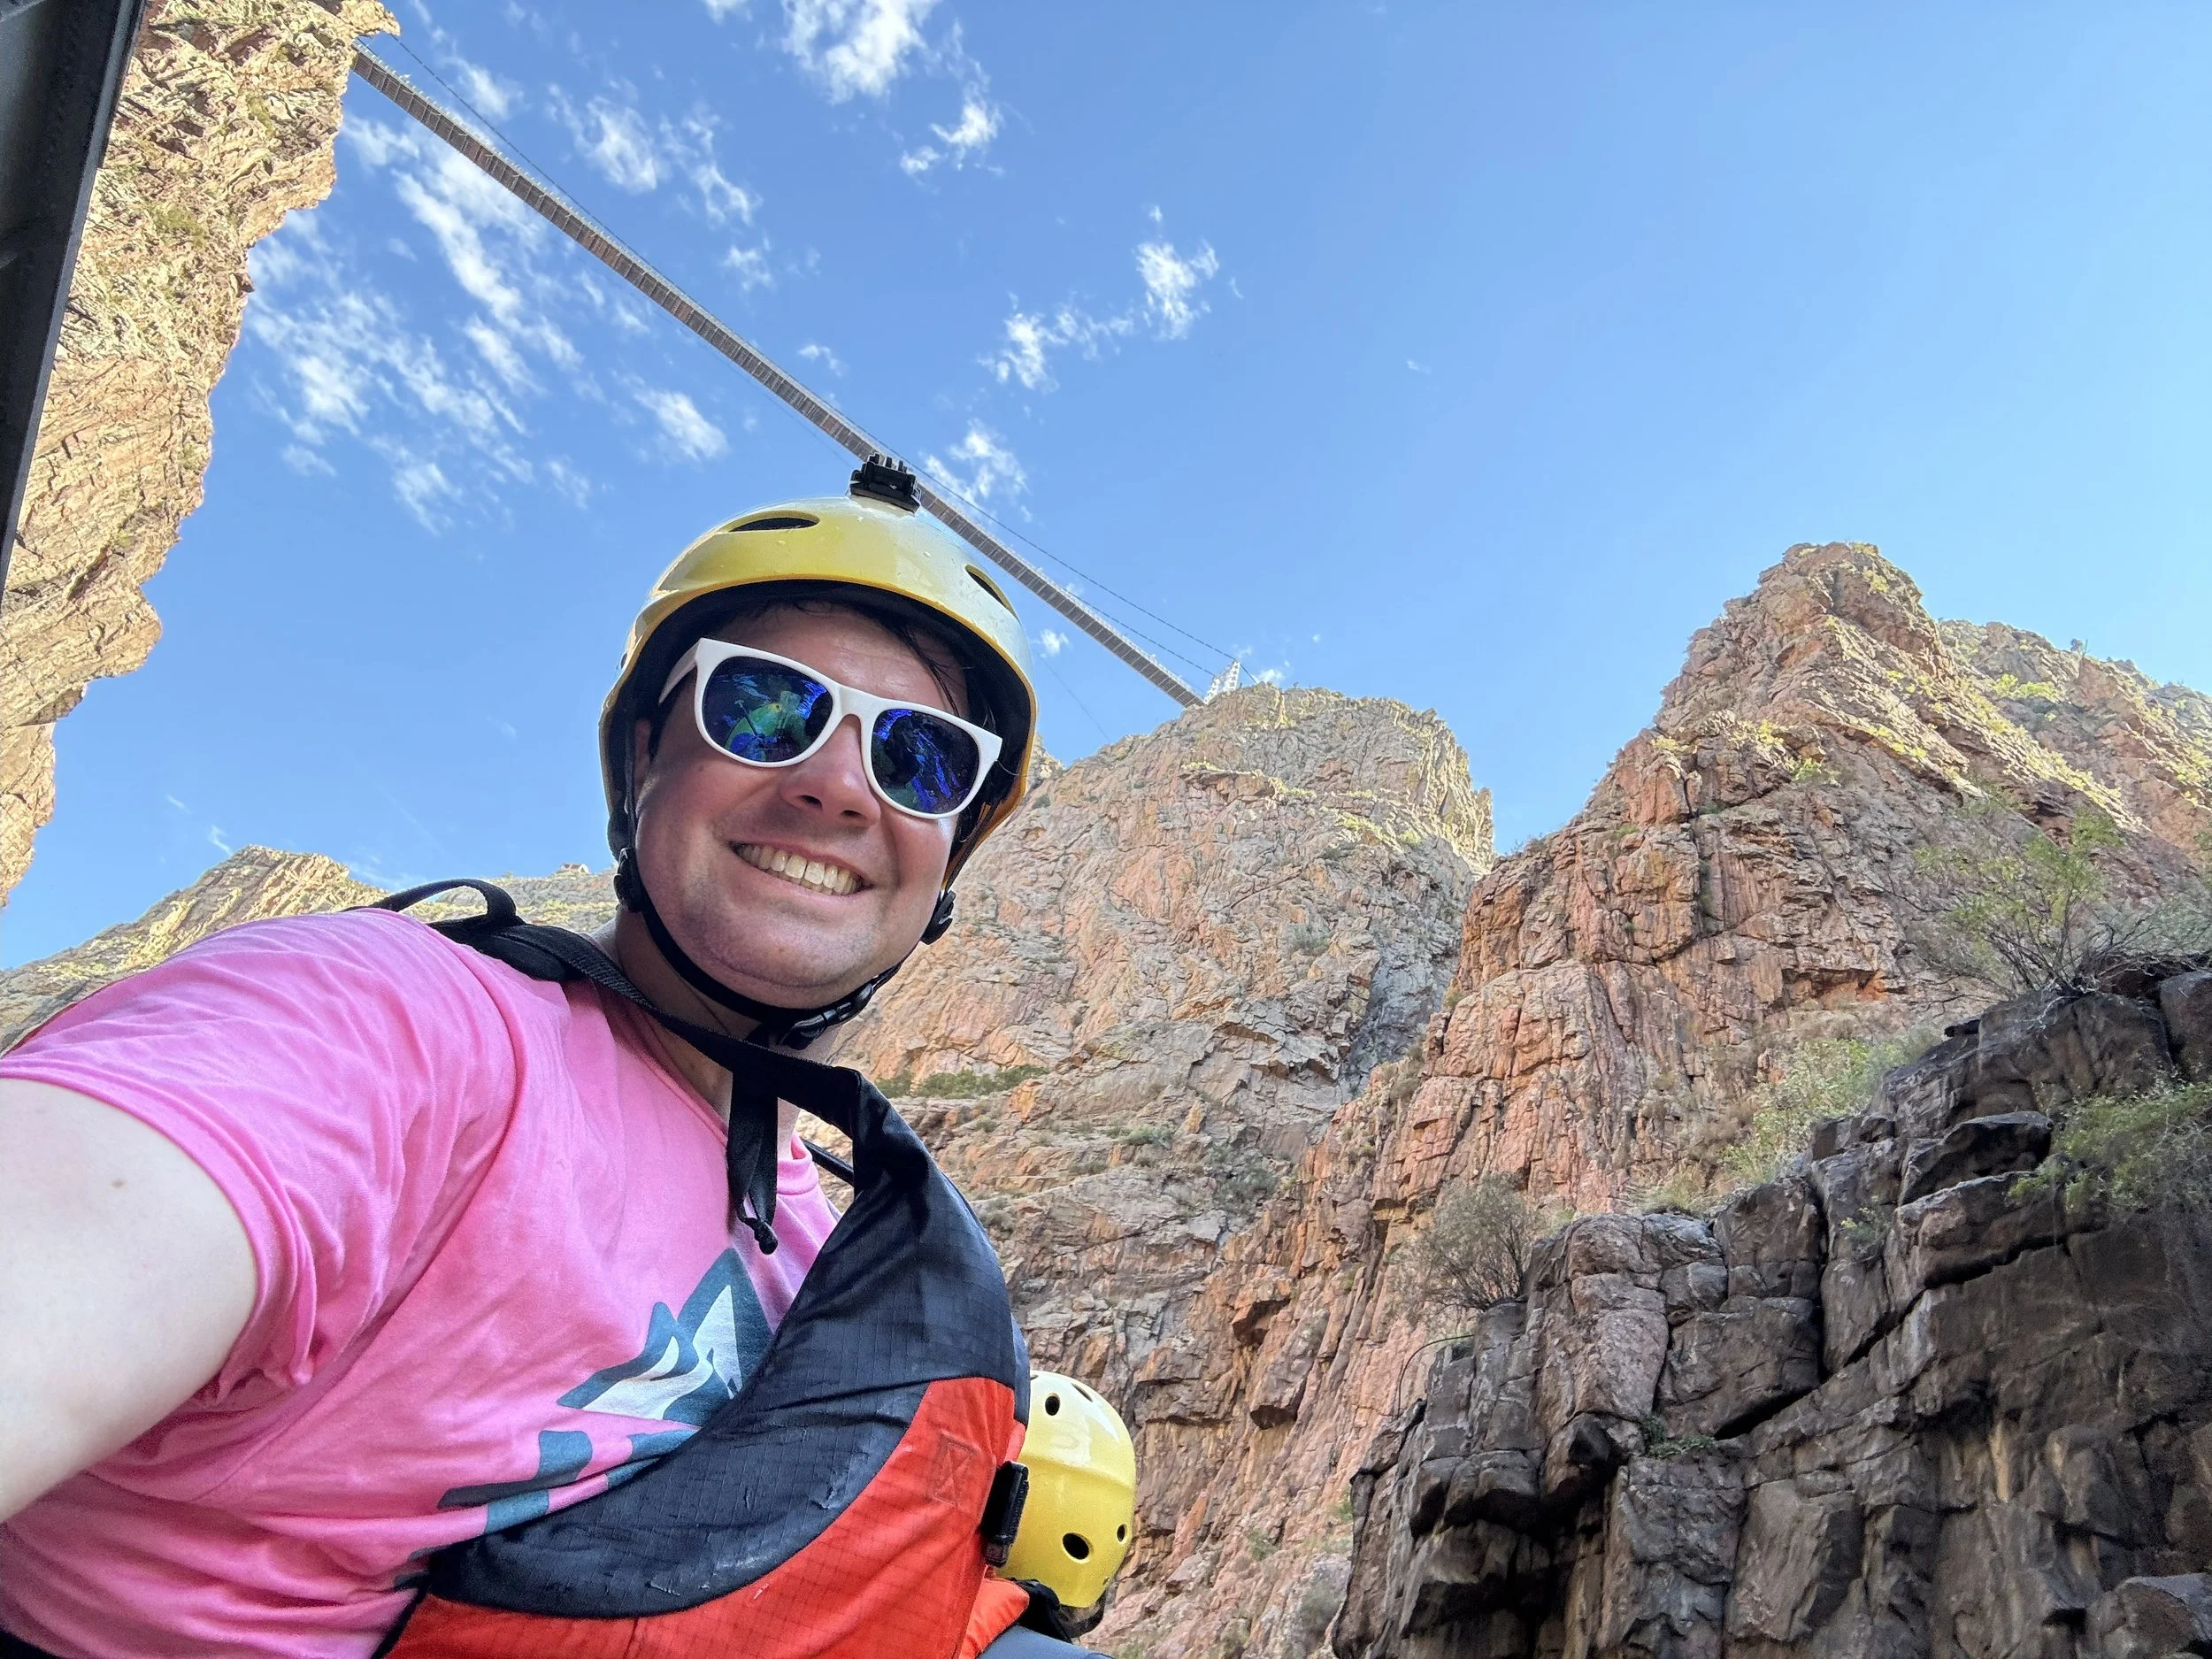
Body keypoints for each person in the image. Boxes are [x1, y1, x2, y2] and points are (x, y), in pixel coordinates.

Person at [0, 459, 1089, 1658]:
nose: (836, 784)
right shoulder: (397, 1031)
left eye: (921, 758)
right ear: (641, 761)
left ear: (947, 860)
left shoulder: (822, 1257)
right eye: (765, 706)